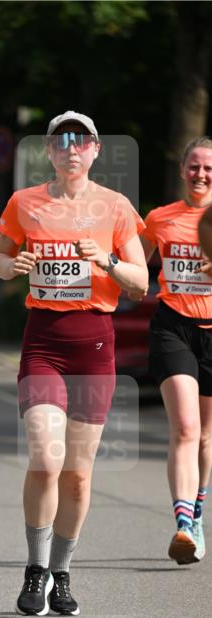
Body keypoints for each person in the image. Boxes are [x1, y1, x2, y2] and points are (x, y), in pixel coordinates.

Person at [0, 111, 148, 616]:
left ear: (96, 150)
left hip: (94, 346)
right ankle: (35, 570)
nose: (71, 148)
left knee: (78, 475)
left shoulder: (115, 206)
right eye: (62, 141)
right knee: (45, 457)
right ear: (49, 151)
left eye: (81, 141)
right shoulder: (24, 202)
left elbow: (141, 282)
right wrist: (10, 265)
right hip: (43, 341)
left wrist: (106, 261)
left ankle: (61, 574)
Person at [140, 137, 212, 564]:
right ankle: (183, 524)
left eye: (209, 168)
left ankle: (197, 513)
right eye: (194, 166)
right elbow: (133, 267)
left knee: (205, 436)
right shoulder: (160, 218)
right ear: (182, 169)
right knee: (185, 427)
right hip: (173, 327)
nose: (201, 174)